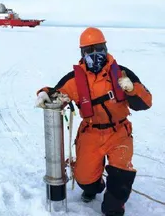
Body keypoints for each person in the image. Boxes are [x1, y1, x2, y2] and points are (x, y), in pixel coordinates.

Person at [35, 27, 152, 216]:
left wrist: (131, 90)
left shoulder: (122, 73)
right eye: (89, 50)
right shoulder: (75, 79)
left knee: (121, 175)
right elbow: (55, 92)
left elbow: (146, 102)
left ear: (105, 48)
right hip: (90, 132)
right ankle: (94, 186)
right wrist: (43, 93)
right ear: (82, 53)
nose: (94, 54)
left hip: (119, 132)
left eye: (98, 48)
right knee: (85, 180)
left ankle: (114, 208)